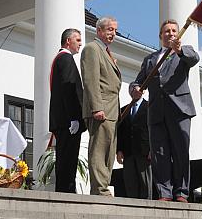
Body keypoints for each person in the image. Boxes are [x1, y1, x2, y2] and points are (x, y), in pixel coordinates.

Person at [132, 19, 199, 202]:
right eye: (166, 31)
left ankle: (181, 192)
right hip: (156, 112)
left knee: (180, 151)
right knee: (160, 154)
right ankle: (164, 192)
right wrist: (134, 89)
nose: (170, 33)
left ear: (177, 34)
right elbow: (137, 82)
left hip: (180, 109)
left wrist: (179, 50)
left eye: (173, 31)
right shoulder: (150, 59)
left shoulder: (185, 52)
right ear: (160, 36)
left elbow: (194, 59)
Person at [80, 16, 121, 196]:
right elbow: (90, 80)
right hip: (101, 109)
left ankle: (103, 186)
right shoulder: (92, 49)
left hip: (111, 110)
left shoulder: (106, 52)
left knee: (109, 152)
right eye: (109, 29)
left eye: (114, 30)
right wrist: (96, 107)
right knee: (99, 150)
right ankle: (99, 189)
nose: (113, 33)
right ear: (99, 31)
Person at [48, 28, 85, 193]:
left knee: (64, 159)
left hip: (62, 119)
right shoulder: (66, 59)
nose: (80, 43)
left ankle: (64, 190)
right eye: (77, 40)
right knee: (68, 160)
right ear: (68, 41)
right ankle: (67, 192)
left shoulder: (59, 59)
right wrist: (73, 117)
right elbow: (69, 89)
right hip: (67, 120)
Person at [116, 83, 152, 199]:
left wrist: (152, 149)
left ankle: (147, 208)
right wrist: (119, 150)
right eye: (130, 88)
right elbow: (120, 132)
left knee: (145, 182)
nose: (133, 89)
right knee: (130, 182)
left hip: (144, 151)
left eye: (135, 87)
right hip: (128, 152)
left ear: (143, 90)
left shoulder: (150, 107)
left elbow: (153, 130)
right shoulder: (124, 110)